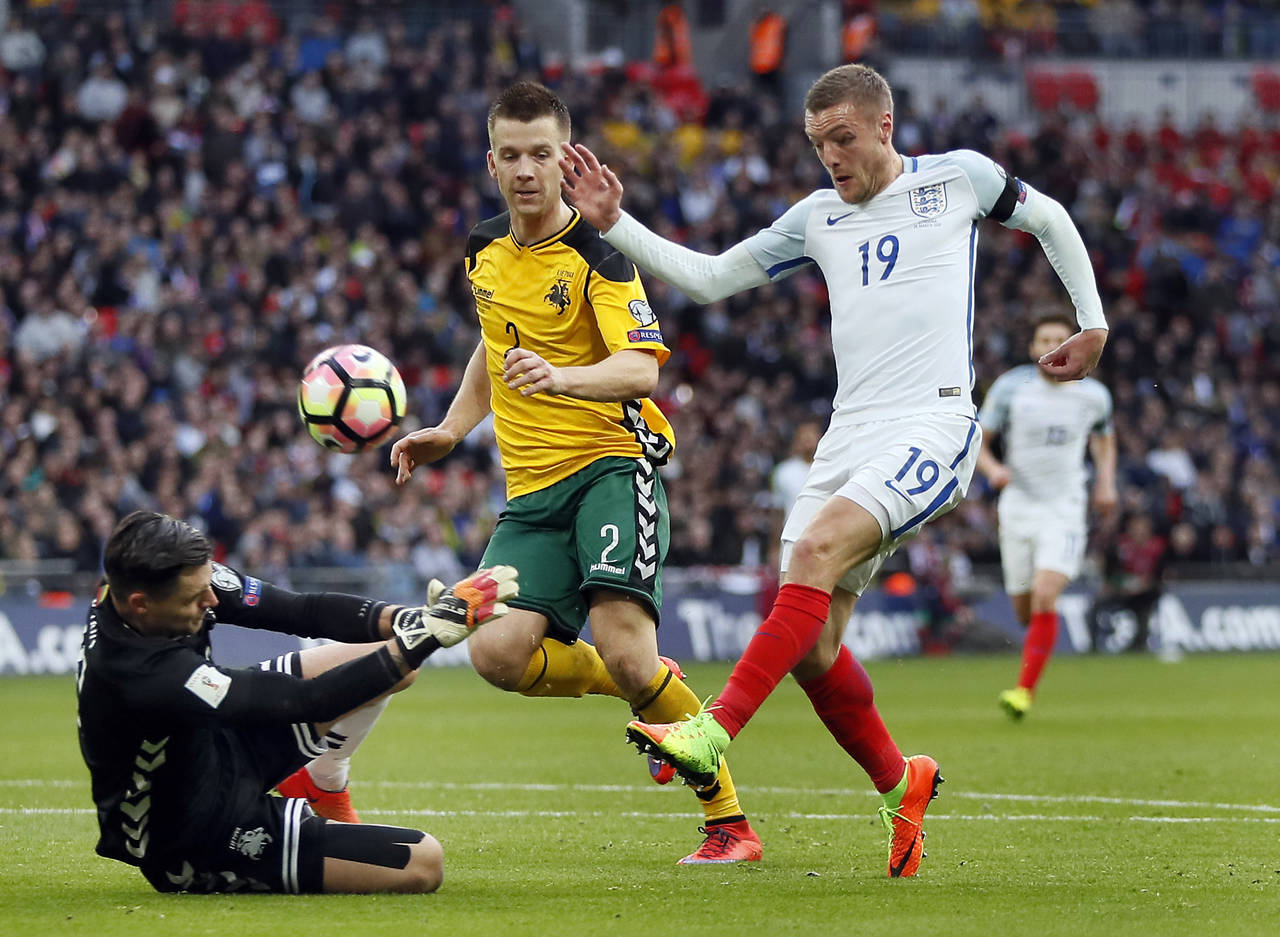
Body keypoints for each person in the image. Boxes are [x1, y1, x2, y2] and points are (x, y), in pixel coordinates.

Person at [559, 62, 1108, 878]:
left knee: (812, 555)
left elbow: (1052, 218)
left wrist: (1092, 322)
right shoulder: (816, 217)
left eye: (843, 138)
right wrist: (617, 222)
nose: (832, 158)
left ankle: (712, 729)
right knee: (812, 645)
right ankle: (902, 780)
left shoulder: (957, 178)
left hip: (936, 419)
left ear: (885, 126)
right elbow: (711, 279)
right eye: (819, 144)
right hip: (848, 435)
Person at [389, 81, 762, 864]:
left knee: (627, 646)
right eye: (513, 155)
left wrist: (560, 377)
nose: (528, 170)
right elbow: (495, 345)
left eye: (542, 154)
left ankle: (729, 822)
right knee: (496, 654)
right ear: (492, 163)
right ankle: (645, 687)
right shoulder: (483, 249)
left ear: (567, 159)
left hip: (611, 466)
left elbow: (640, 371)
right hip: (530, 492)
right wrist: (453, 428)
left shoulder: (602, 255)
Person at [77, 510, 517, 894]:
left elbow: (300, 609)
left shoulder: (147, 582)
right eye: (196, 598)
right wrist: (423, 639)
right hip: (193, 832)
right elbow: (307, 701)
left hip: (215, 745)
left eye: (209, 585)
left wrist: (414, 619)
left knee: (386, 662)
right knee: (423, 861)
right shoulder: (140, 673)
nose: (212, 601)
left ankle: (320, 782)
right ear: (140, 605)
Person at [975, 312, 1117, 719]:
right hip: (1018, 506)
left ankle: (1023, 691)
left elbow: (1105, 440)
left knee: (1045, 594)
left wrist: (1106, 482)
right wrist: (993, 470)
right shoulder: (1011, 389)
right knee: (1024, 607)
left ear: (1072, 345)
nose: (1053, 345)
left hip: (1065, 508)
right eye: (1045, 339)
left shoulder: (1093, 396)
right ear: (1033, 349)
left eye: (1061, 338)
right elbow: (980, 441)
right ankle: (1034, 645)